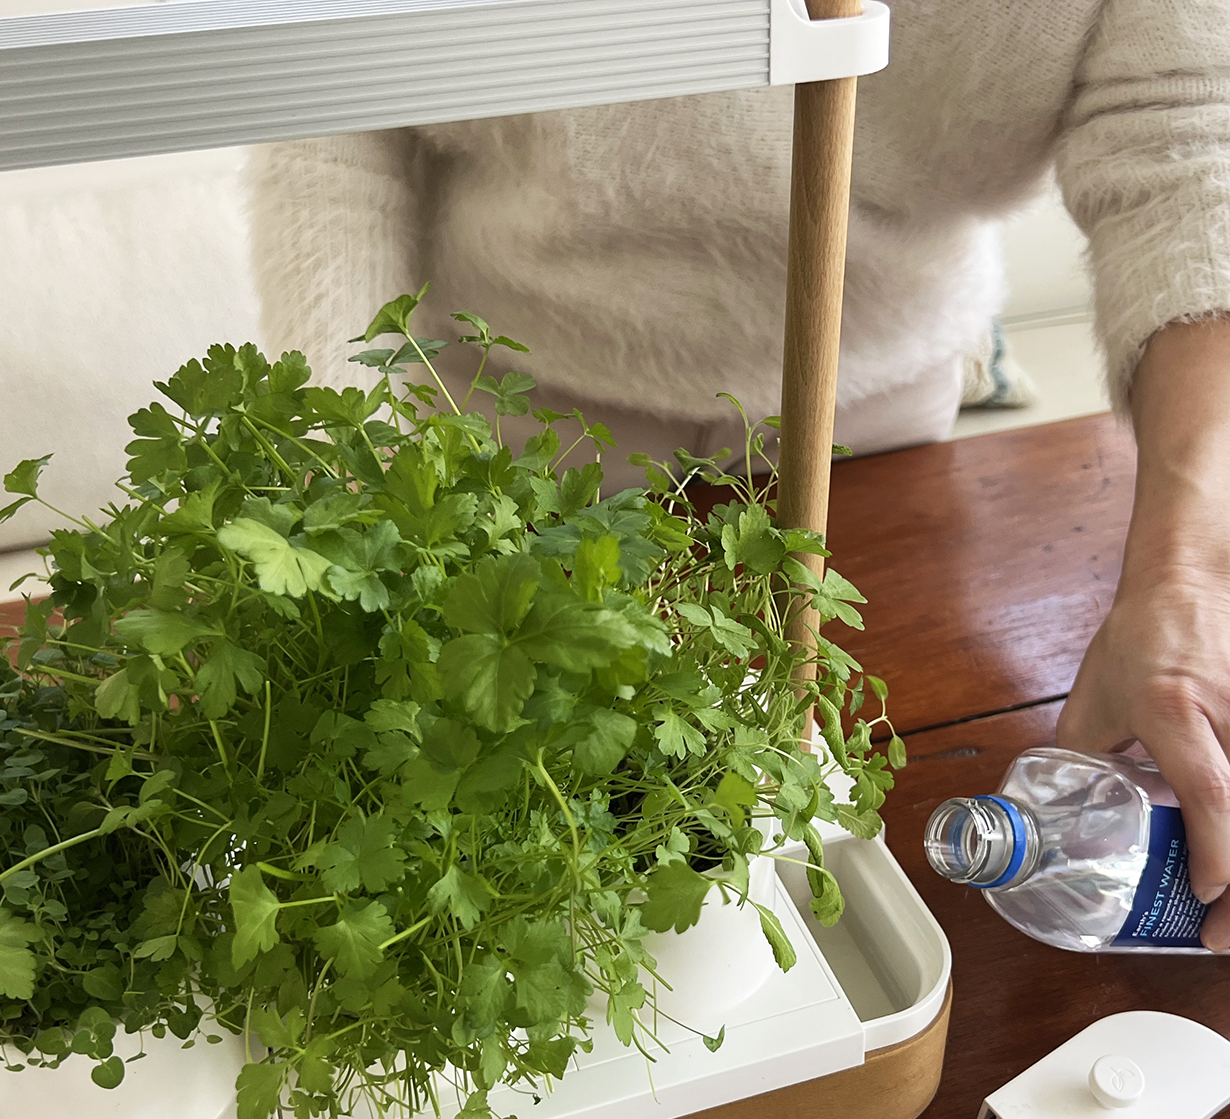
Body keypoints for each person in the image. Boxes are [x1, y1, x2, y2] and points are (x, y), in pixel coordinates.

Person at [246, 0, 1230, 948]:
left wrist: (1188, 577)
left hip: (873, 404)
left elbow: (1190, 141)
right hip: (510, 403)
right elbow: (334, 111)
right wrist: (338, 489)